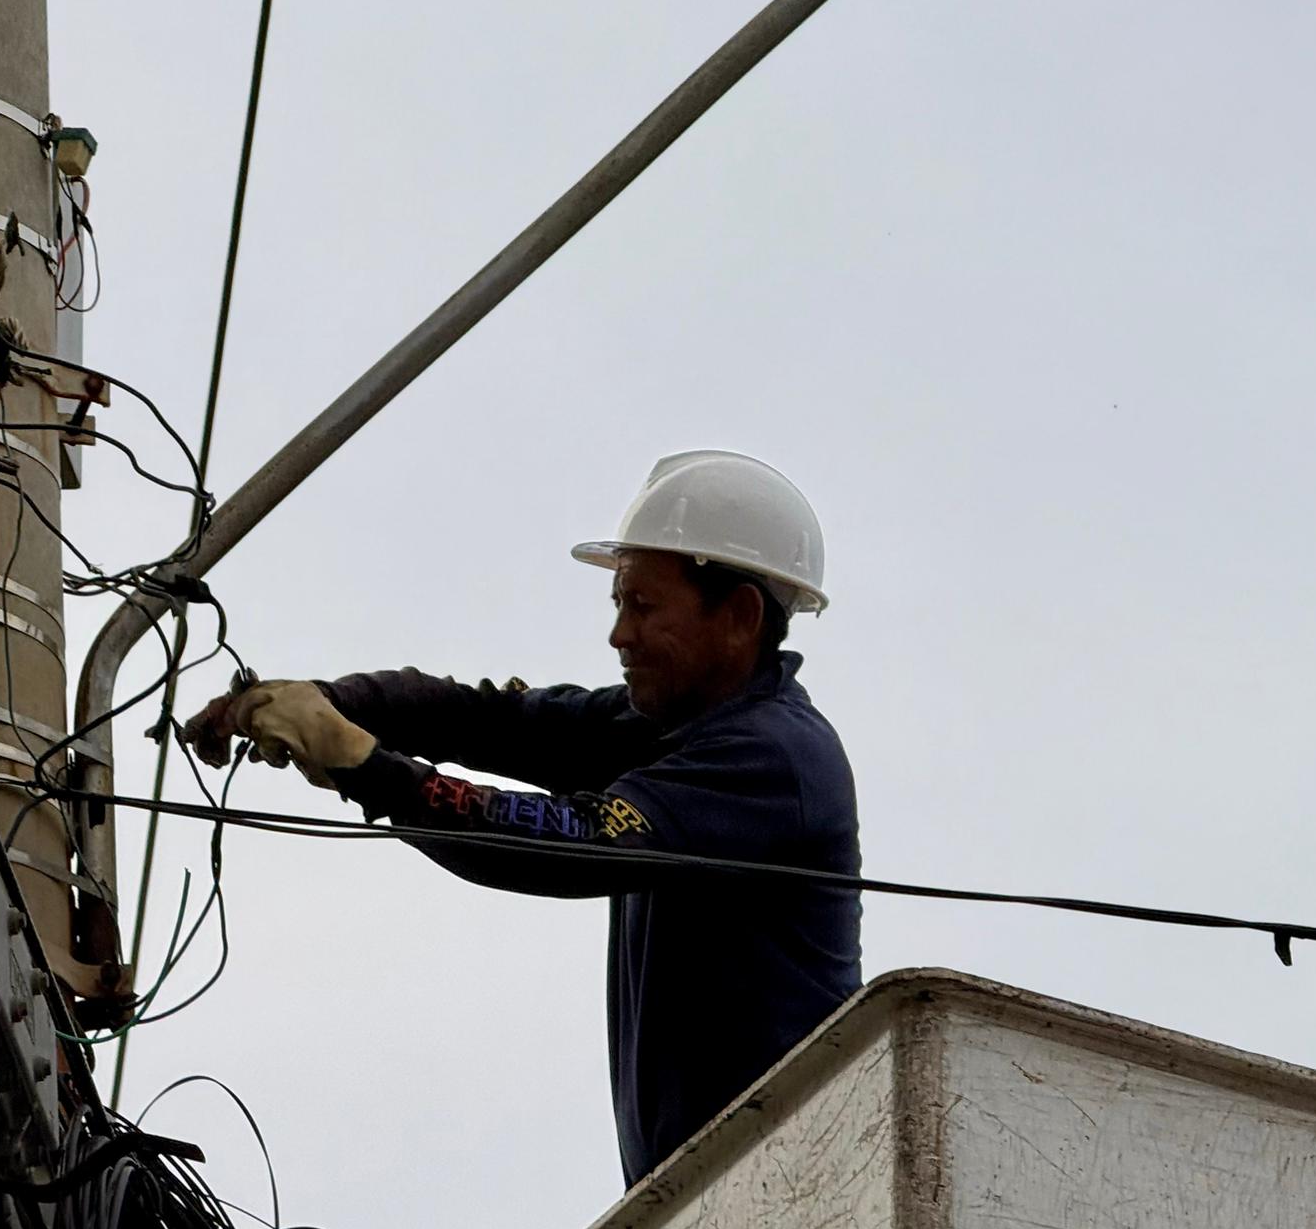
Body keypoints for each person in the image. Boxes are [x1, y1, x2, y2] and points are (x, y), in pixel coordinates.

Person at [190, 450, 861, 1188]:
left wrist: (359, 761)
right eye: (618, 605)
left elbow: (566, 843)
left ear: (738, 617)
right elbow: (489, 718)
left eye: (642, 607)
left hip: (789, 1187)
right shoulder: (663, 725)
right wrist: (326, 701)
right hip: (708, 1196)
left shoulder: (772, 760)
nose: (619, 637)